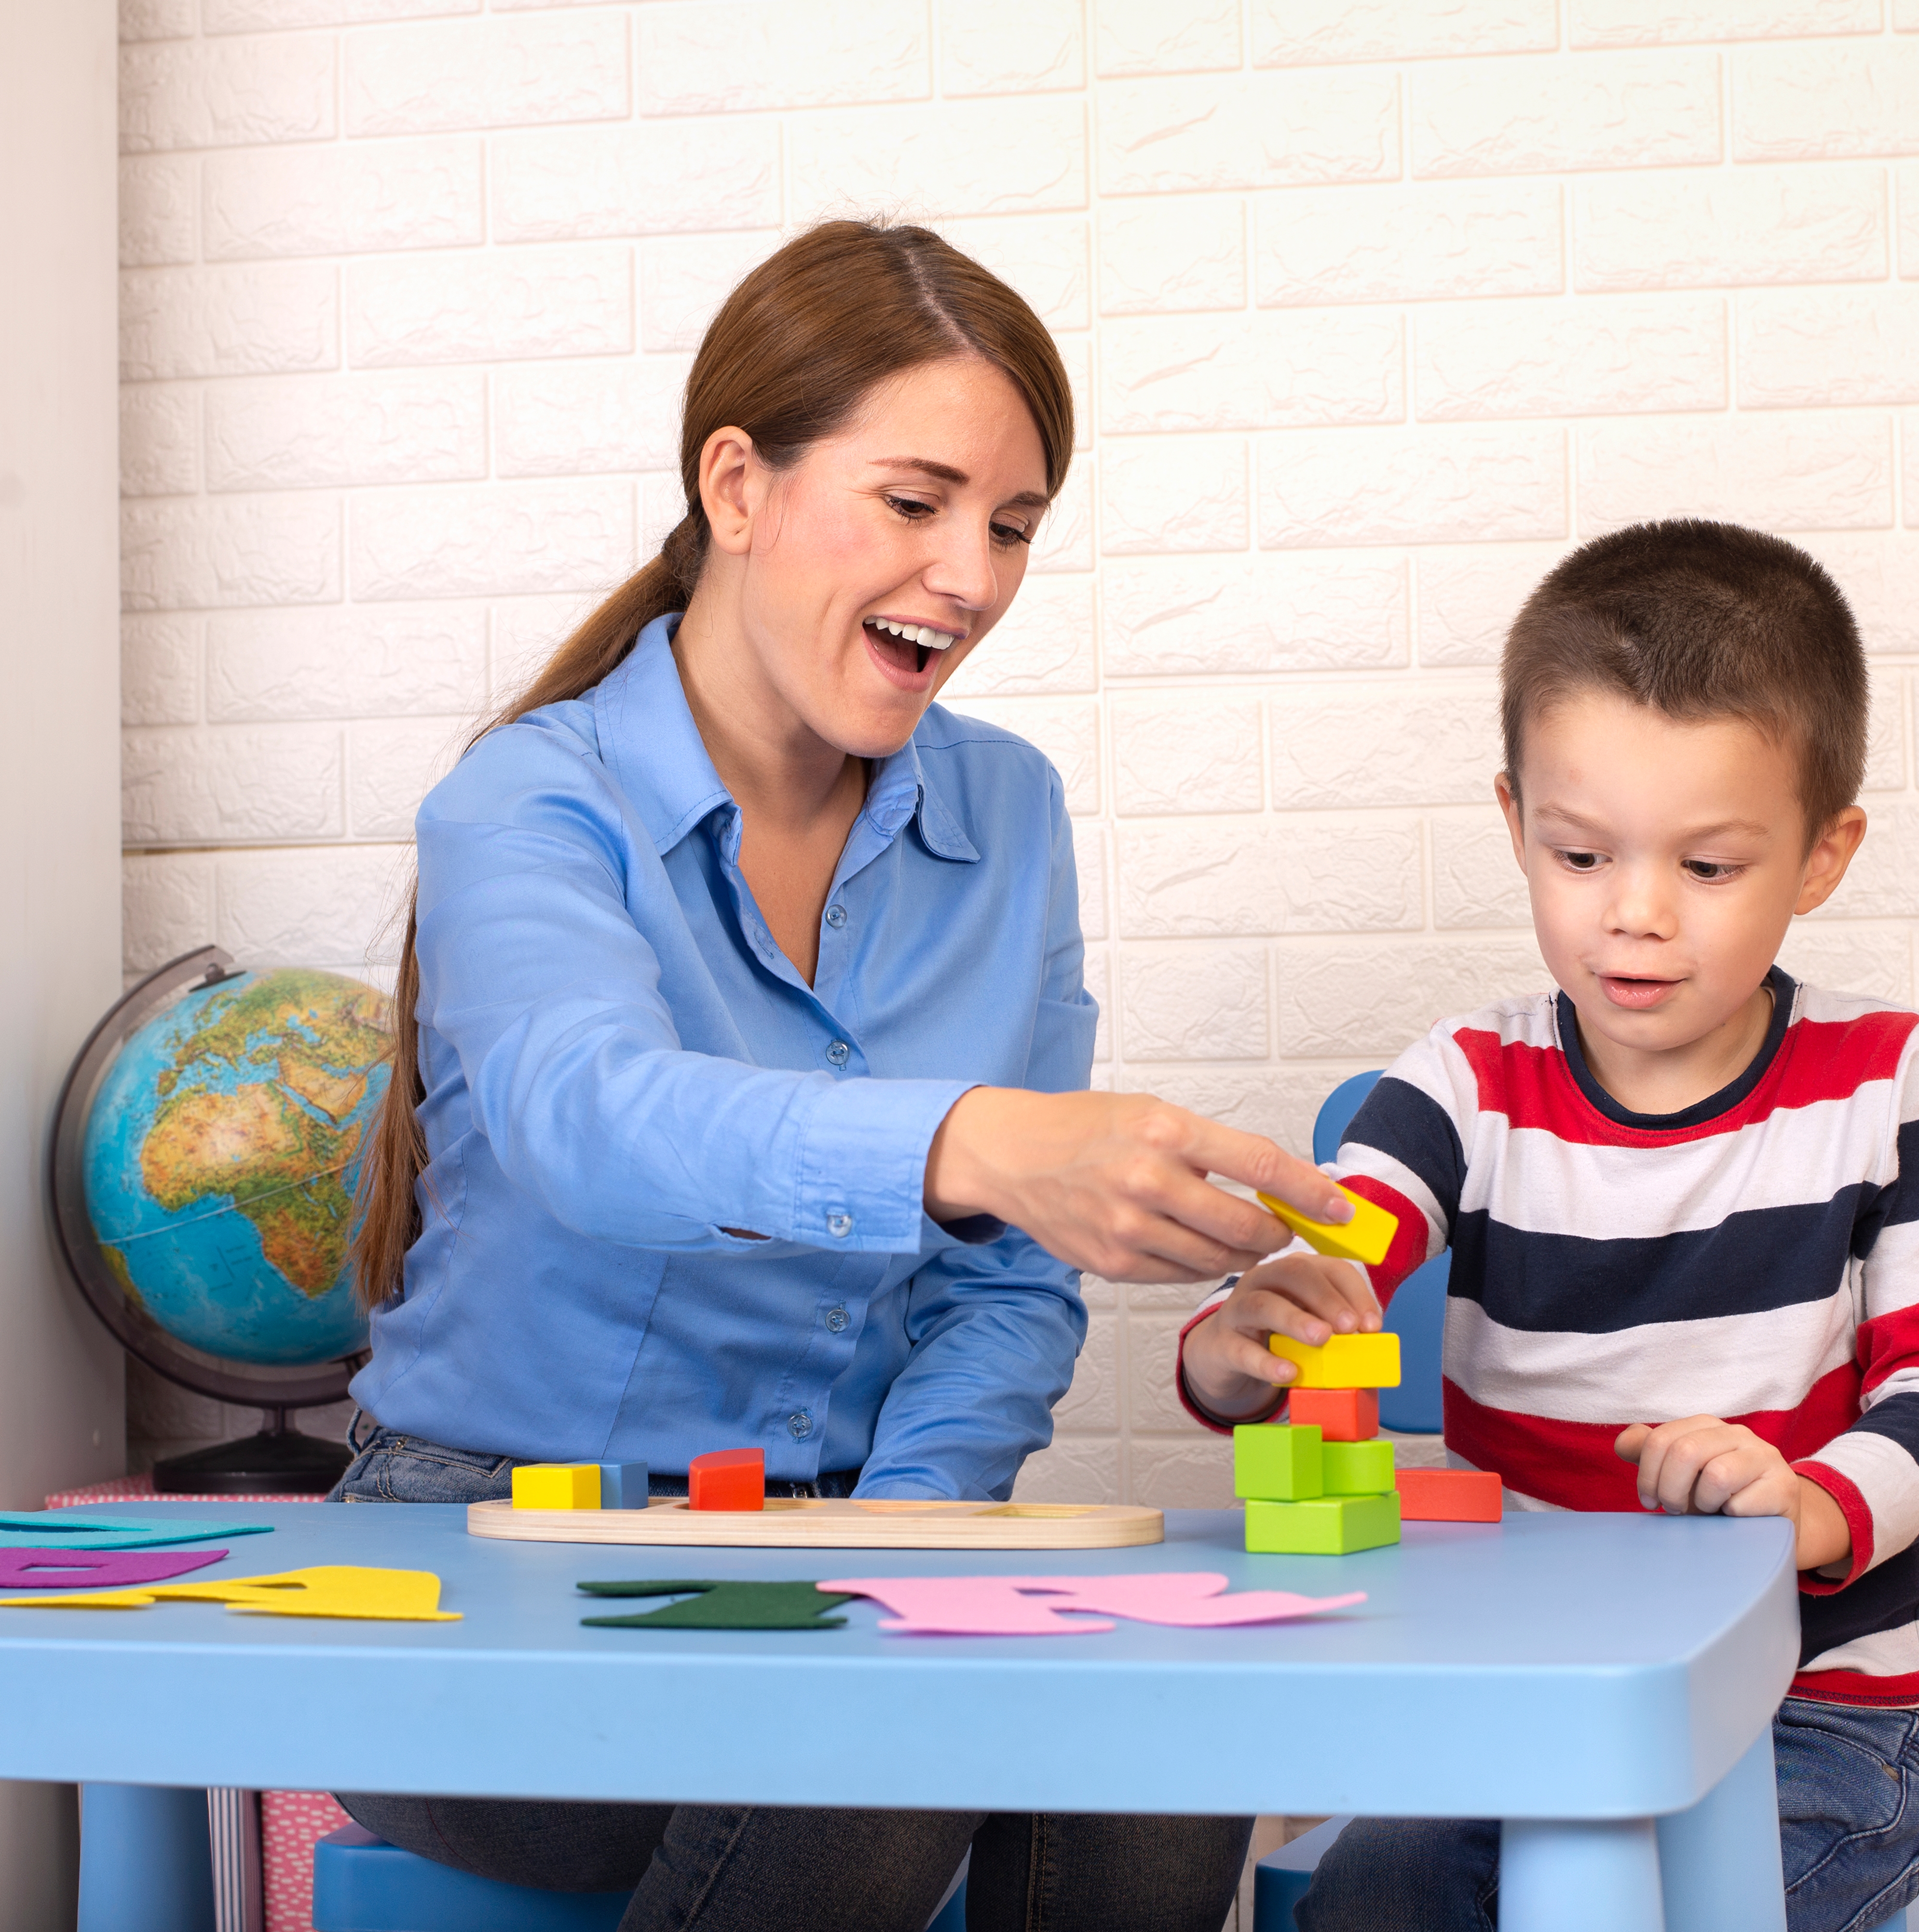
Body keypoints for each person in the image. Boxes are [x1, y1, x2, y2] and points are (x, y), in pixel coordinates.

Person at [328, 219, 1355, 1932]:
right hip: (476, 1564)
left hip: (827, 1549)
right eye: (915, 502)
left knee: (1157, 1736)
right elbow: (594, 1122)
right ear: (737, 485)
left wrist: (907, 1546)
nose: (969, 575)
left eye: (1012, 527)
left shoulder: (1007, 811)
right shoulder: (527, 803)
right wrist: (976, 1141)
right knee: (885, 1751)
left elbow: (1005, 1286)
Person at [1177, 521, 1919, 1932]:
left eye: (1710, 867)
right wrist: (1242, 1348)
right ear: (1515, 825)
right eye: (1580, 853)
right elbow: (1335, 1258)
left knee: (1679, 1909)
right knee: (1365, 1901)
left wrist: (1809, 1504)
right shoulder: (1464, 1084)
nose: (1635, 917)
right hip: (1528, 1705)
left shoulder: (1884, 1082)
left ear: (1822, 855)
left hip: (1818, 1711)